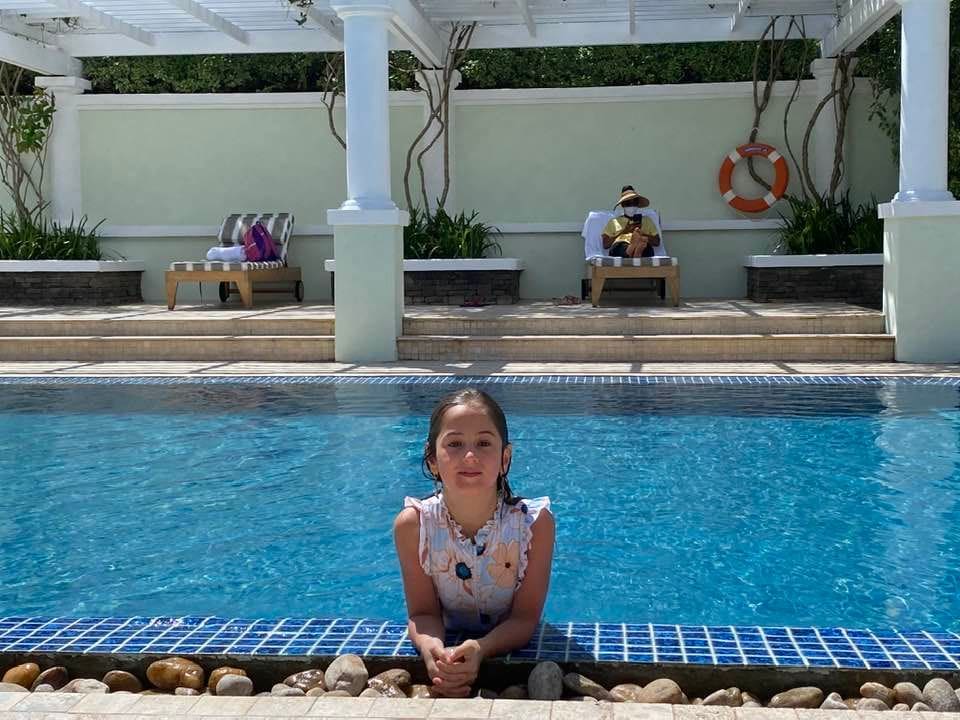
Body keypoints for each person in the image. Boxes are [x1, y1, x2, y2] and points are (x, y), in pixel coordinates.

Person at [394, 389, 554, 697]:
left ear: (505, 457)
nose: (470, 456)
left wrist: (482, 649)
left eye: (484, 443)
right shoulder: (413, 526)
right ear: (432, 460)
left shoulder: (534, 525)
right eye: (454, 444)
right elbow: (423, 613)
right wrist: (433, 650)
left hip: (505, 636)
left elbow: (524, 618)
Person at [601, 185, 661, 258]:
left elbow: (657, 242)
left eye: (634, 203)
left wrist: (642, 233)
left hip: (643, 244)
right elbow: (605, 244)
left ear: (638, 204)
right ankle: (634, 248)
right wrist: (624, 231)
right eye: (628, 203)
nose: (632, 205)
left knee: (647, 248)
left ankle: (635, 247)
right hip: (621, 244)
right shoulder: (614, 222)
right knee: (621, 247)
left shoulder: (646, 220)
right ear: (623, 205)